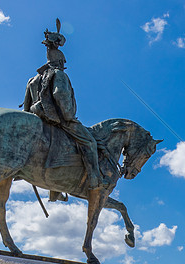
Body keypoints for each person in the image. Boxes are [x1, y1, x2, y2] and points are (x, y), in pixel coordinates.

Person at [22, 21, 107, 196]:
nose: (63, 64)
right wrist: (69, 116)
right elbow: (60, 95)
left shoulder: (33, 80)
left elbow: (26, 106)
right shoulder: (59, 74)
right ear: (59, 60)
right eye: (63, 61)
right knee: (89, 142)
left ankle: (55, 190)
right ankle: (93, 179)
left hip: (36, 118)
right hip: (56, 118)